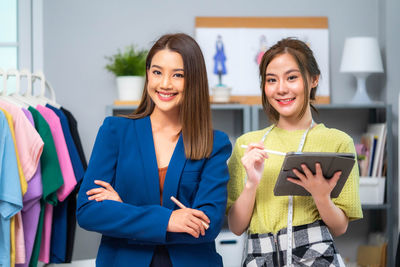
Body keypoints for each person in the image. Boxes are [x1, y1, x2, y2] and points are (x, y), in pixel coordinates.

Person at [76, 33, 232, 267]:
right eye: (157, 72)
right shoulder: (115, 131)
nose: (165, 84)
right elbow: (88, 211)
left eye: (177, 75)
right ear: (148, 74)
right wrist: (169, 220)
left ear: (194, 80)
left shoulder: (214, 143)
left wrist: (122, 212)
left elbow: (207, 225)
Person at [227, 37, 363, 266]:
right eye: (271, 80)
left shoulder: (338, 142)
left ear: (313, 79)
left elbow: (340, 227)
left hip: (317, 256)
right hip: (259, 256)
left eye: (292, 77)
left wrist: (321, 196)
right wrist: (251, 183)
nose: (281, 89)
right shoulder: (248, 145)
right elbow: (236, 227)